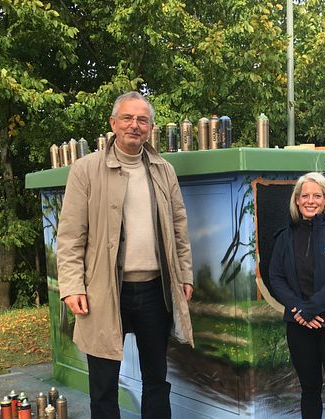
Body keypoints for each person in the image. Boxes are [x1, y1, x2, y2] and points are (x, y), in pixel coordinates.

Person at [56, 91, 194, 419]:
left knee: (156, 379)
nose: (135, 125)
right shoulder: (85, 170)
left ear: (151, 127)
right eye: (128, 118)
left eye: (142, 120)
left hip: (155, 289)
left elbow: (179, 228)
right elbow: (70, 235)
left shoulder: (164, 170)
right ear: (113, 123)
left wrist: (185, 275)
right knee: (104, 384)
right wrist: (72, 285)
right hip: (104, 290)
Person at [268, 172, 325, 419]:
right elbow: (276, 277)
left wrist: (311, 309)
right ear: (296, 200)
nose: (310, 200)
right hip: (299, 326)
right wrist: (299, 310)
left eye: (317, 196)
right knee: (309, 390)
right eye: (305, 195)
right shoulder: (285, 237)